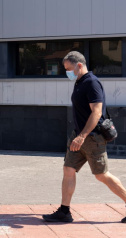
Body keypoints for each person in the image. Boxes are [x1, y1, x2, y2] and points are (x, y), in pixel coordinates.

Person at [42, 51, 126, 223]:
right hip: (78, 136)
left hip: (92, 138)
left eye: (69, 68)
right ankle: (64, 211)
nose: (67, 72)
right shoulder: (80, 82)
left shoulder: (92, 83)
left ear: (79, 65)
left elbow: (96, 113)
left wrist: (82, 136)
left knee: (102, 175)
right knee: (68, 170)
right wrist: (78, 136)